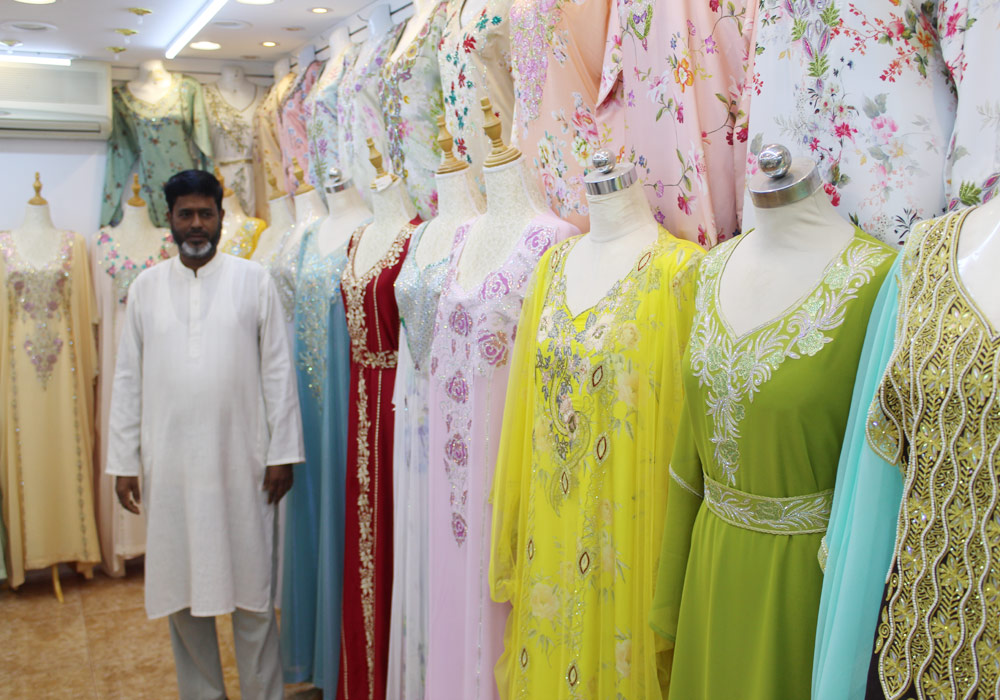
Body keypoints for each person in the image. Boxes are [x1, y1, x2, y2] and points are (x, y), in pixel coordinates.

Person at [106, 169, 304, 700]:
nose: (196, 224)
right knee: (182, 593)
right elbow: (127, 380)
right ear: (169, 219)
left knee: (252, 594)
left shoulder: (253, 280)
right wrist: (123, 461)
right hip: (170, 467)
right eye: (186, 214)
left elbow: (278, 371)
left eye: (205, 214)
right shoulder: (145, 289)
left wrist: (283, 453)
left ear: (220, 217)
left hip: (242, 463)